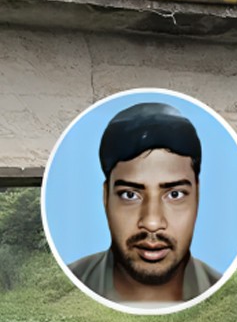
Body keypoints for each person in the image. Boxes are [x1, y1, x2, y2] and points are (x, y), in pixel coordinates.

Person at [67, 103, 221, 306]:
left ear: (197, 196)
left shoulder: (218, 287)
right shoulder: (72, 281)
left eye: (174, 194)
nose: (152, 222)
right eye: (130, 195)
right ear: (106, 198)